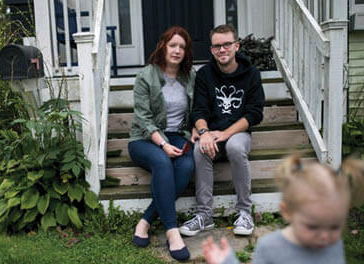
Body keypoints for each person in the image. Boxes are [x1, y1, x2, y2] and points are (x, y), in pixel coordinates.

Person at [180, 24, 265, 237]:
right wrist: (205, 132)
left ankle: (245, 213)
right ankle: (204, 216)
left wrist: (226, 133)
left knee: (236, 147)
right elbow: (198, 109)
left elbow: (255, 114)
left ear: (236, 46)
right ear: (211, 50)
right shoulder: (205, 74)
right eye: (217, 46)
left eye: (227, 44)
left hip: (237, 133)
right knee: (200, 149)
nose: (222, 50)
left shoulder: (252, 74)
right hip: (212, 132)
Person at [202, 155, 364, 264]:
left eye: (335, 227)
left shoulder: (333, 244)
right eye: (312, 226)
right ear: (287, 212)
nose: (325, 236)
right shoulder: (270, 248)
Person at [128, 26, 196, 261]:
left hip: (178, 135)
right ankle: (172, 231)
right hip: (144, 139)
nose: (177, 50)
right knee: (163, 162)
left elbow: (197, 109)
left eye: (182, 47)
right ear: (163, 46)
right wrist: (163, 144)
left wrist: (196, 130)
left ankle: (146, 220)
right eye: (173, 45)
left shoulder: (190, 76)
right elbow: (143, 118)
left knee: (187, 166)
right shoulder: (146, 75)